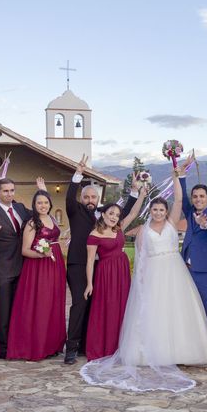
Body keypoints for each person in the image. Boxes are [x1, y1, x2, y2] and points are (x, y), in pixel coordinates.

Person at [80, 169, 207, 392]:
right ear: (150, 211)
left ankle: (184, 351)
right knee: (155, 311)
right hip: (154, 271)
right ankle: (155, 351)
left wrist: (176, 175)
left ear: (166, 211)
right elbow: (142, 258)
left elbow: (180, 198)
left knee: (178, 311)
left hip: (175, 271)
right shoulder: (144, 231)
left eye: (161, 209)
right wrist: (141, 281)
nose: (158, 212)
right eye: (154, 209)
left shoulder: (173, 222)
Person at [64, 154, 139, 365]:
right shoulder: (75, 210)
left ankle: (87, 345)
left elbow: (122, 212)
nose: (89, 201)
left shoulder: (105, 215)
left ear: (98, 200)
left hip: (103, 265)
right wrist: (77, 175)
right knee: (80, 303)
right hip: (79, 264)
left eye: (93, 198)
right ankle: (71, 348)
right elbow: (69, 198)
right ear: (82, 198)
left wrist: (133, 191)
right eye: (86, 197)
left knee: (98, 304)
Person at [83, 190, 147, 361]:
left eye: (117, 215)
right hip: (105, 274)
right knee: (108, 307)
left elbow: (134, 212)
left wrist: (142, 194)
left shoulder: (119, 228)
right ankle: (105, 347)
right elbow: (90, 261)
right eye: (111, 213)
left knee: (123, 306)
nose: (114, 217)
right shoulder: (94, 235)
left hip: (122, 272)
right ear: (103, 214)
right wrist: (90, 284)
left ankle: (122, 345)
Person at [6, 190, 67, 361]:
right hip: (38, 268)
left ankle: (51, 344)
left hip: (55, 266)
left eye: (46, 202)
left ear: (50, 204)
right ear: (34, 205)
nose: (43, 205)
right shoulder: (33, 223)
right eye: (39, 203)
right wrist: (42, 254)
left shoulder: (53, 219)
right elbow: (25, 250)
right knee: (40, 303)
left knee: (54, 303)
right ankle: (35, 345)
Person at [0, 178, 37, 359]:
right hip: (3, 269)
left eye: (12, 190)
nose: (9, 194)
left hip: (24, 267)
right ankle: (2, 348)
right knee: (4, 310)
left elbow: (39, 215)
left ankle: (18, 343)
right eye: (5, 191)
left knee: (21, 309)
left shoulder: (20, 208)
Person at [179, 156, 207, 336]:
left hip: (206, 271)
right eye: (195, 196)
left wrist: (204, 224)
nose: (198, 199)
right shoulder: (190, 212)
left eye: (201, 196)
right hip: (186, 269)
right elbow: (181, 198)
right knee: (188, 308)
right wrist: (181, 175)